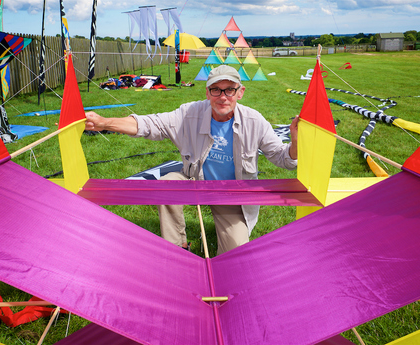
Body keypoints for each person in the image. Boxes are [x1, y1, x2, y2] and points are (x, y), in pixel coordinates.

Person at [85, 65, 299, 255]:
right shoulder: (189, 113)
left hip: (232, 192)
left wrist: (296, 142)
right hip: (194, 179)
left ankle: (228, 233)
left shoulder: (255, 121)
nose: (223, 96)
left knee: (236, 255)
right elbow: (150, 124)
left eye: (230, 90)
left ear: (240, 93)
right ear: (207, 92)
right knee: (167, 183)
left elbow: (284, 159)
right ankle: (177, 247)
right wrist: (104, 122)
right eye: (216, 89)